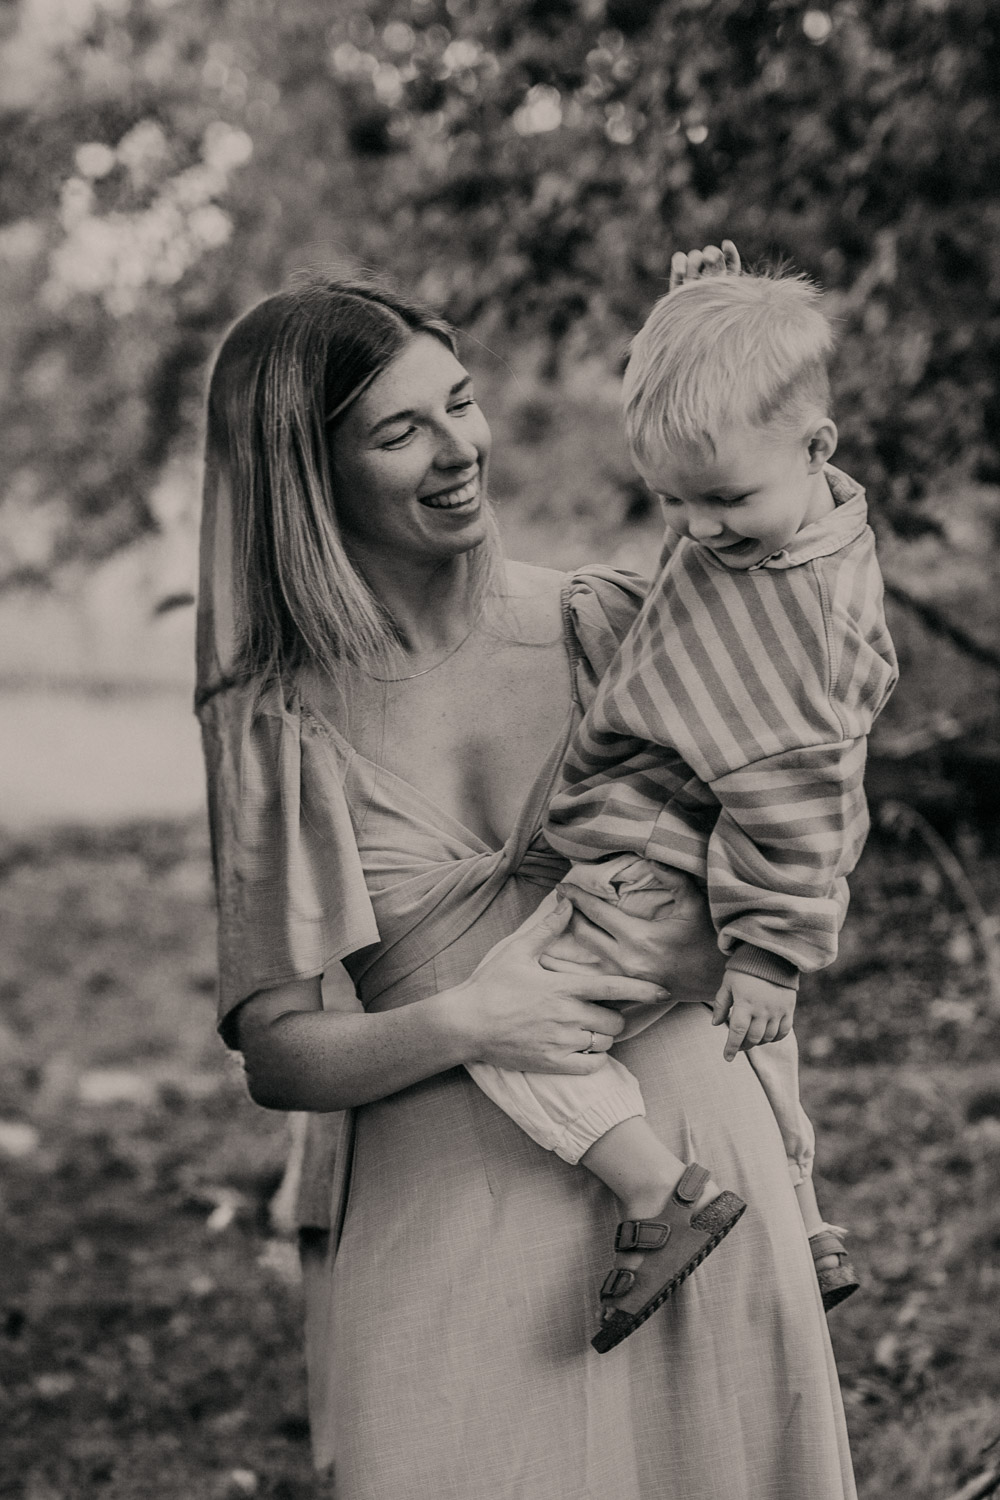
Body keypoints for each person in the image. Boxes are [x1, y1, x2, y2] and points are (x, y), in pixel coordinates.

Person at [195, 255, 859, 1499]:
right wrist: (469, 1018)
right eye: (401, 429)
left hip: (698, 1172)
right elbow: (278, 1053)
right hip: (451, 1213)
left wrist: (701, 335)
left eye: (461, 400)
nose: (459, 448)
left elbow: (810, 659)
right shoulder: (274, 723)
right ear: (307, 476)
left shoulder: (615, 620)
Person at [465, 260, 898, 1351]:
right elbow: (721, 445)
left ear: (817, 446)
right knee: (757, 1049)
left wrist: (769, 951)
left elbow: (802, 810)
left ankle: (658, 1193)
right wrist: (688, 307)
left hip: (650, 864)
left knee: (496, 1028)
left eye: (722, 501)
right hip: (694, 860)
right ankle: (803, 1221)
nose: (699, 530)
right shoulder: (795, 521)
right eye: (674, 502)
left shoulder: (798, 631)